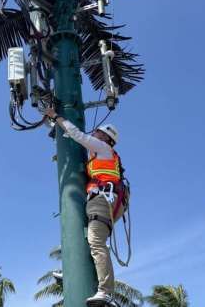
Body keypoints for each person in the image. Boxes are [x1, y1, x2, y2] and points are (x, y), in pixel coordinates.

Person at [45, 107, 126, 307]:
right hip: (102, 199)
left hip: (103, 200)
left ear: (106, 138)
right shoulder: (98, 156)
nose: (94, 133)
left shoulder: (103, 148)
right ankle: (75, 268)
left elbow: (77, 134)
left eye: (98, 132)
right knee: (87, 237)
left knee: (96, 241)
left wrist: (56, 117)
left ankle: (106, 292)